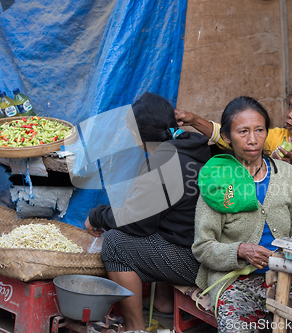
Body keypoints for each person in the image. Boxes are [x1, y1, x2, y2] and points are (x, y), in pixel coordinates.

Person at [192, 96, 292, 333]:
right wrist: (240, 250)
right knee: (236, 325)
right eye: (243, 132)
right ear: (226, 137)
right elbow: (203, 247)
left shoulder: (286, 173)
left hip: (288, 276)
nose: (252, 140)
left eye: (259, 130)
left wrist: (290, 254)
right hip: (236, 282)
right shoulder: (219, 182)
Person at [85, 92, 211, 333]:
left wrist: (97, 215)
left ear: (137, 135)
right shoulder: (196, 147)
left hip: (196, 260)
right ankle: (163, 303)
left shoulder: (162, 163)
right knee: (166, 223)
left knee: (115, 244)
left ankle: (135, 327)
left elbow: (138, 224)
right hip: (203, 246)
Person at [176, 74, 292, 216]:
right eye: (289, 105)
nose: (289, 114)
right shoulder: (279, 137)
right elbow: (234, 135)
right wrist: (194, 120)